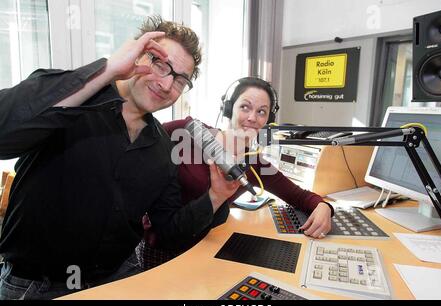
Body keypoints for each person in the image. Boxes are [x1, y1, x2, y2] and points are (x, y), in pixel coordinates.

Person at [0, 15, 239, 300]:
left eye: (179, 80)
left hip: (118, 278)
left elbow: (167, 231)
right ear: (135, 55)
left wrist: (215, 196)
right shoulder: (72, 99)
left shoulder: (164, 149)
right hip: (37, 286)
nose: (165, 84)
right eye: (158, 62)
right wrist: (107, 69)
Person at [137, 77, 334, 270]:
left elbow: (300, 196)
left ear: (268, 119)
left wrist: (324, 207)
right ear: (229, 109)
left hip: (206, 249)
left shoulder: (254, 164)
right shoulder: (186, 131)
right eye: (245, 107)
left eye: (261, 112)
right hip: (162, 250)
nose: (252, 118)